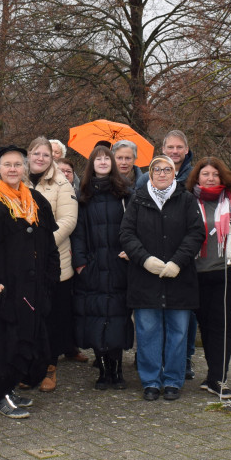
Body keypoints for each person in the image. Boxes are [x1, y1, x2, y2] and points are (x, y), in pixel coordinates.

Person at [0, 145, 60, 418]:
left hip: (31, 287)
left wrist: (50, 278)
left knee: (25, 338)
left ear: (25, 168)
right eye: (7, 165)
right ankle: (0, 393)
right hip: (2, 288)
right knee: (0, 342)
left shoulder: (37, 201)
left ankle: (12, 387)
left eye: (18, 164)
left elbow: (49, 245)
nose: (13, 169)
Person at [120, 155, 205, 402]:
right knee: (147, 331)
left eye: (167, 169)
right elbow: (126, 234)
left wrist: (177, 261)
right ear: (150, 172)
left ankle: (173, 381)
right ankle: (151, 381)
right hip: (145, 278)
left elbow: (196, 233)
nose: (162, 173)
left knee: (178, 331)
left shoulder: (186, 199)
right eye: (156, 169)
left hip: (179, 278)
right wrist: (145, 259)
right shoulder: (137, 199)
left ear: (174, 173)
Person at [70, 145, 132, 390]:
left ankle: (117, 369)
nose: (103, 162)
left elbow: (133, 225)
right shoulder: (83, 194)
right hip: (93, 266)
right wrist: (81, 264)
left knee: (118, 318)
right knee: (95, 318)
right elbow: (77, 233)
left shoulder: (126, 192)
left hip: (119, 265)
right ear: (91, 164)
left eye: (107, 158)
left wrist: (130, 254)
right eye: (98, 159)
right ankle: (103, 369)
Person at [27, 137, 81, 392]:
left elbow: (68, 220)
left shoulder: (62, 183)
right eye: (36, 153)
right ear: (28, 155)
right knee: (28, 316)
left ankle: (50, 368)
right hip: (23, 263)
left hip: (54, 260)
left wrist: (42, 243)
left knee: (52, 317)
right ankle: (29, 367)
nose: (40, 158)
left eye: (45, 155)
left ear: (52, 158)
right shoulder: (16, 179)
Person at [187, 157, 231, 398]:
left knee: (221, 328)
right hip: (193, 274)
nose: (210, 178)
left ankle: (218, 377)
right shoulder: (188, 202)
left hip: (223, 273)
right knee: (203, 328)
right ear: (197, 177)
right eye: (205, 174)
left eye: (215, 174)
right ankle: (208, 375)